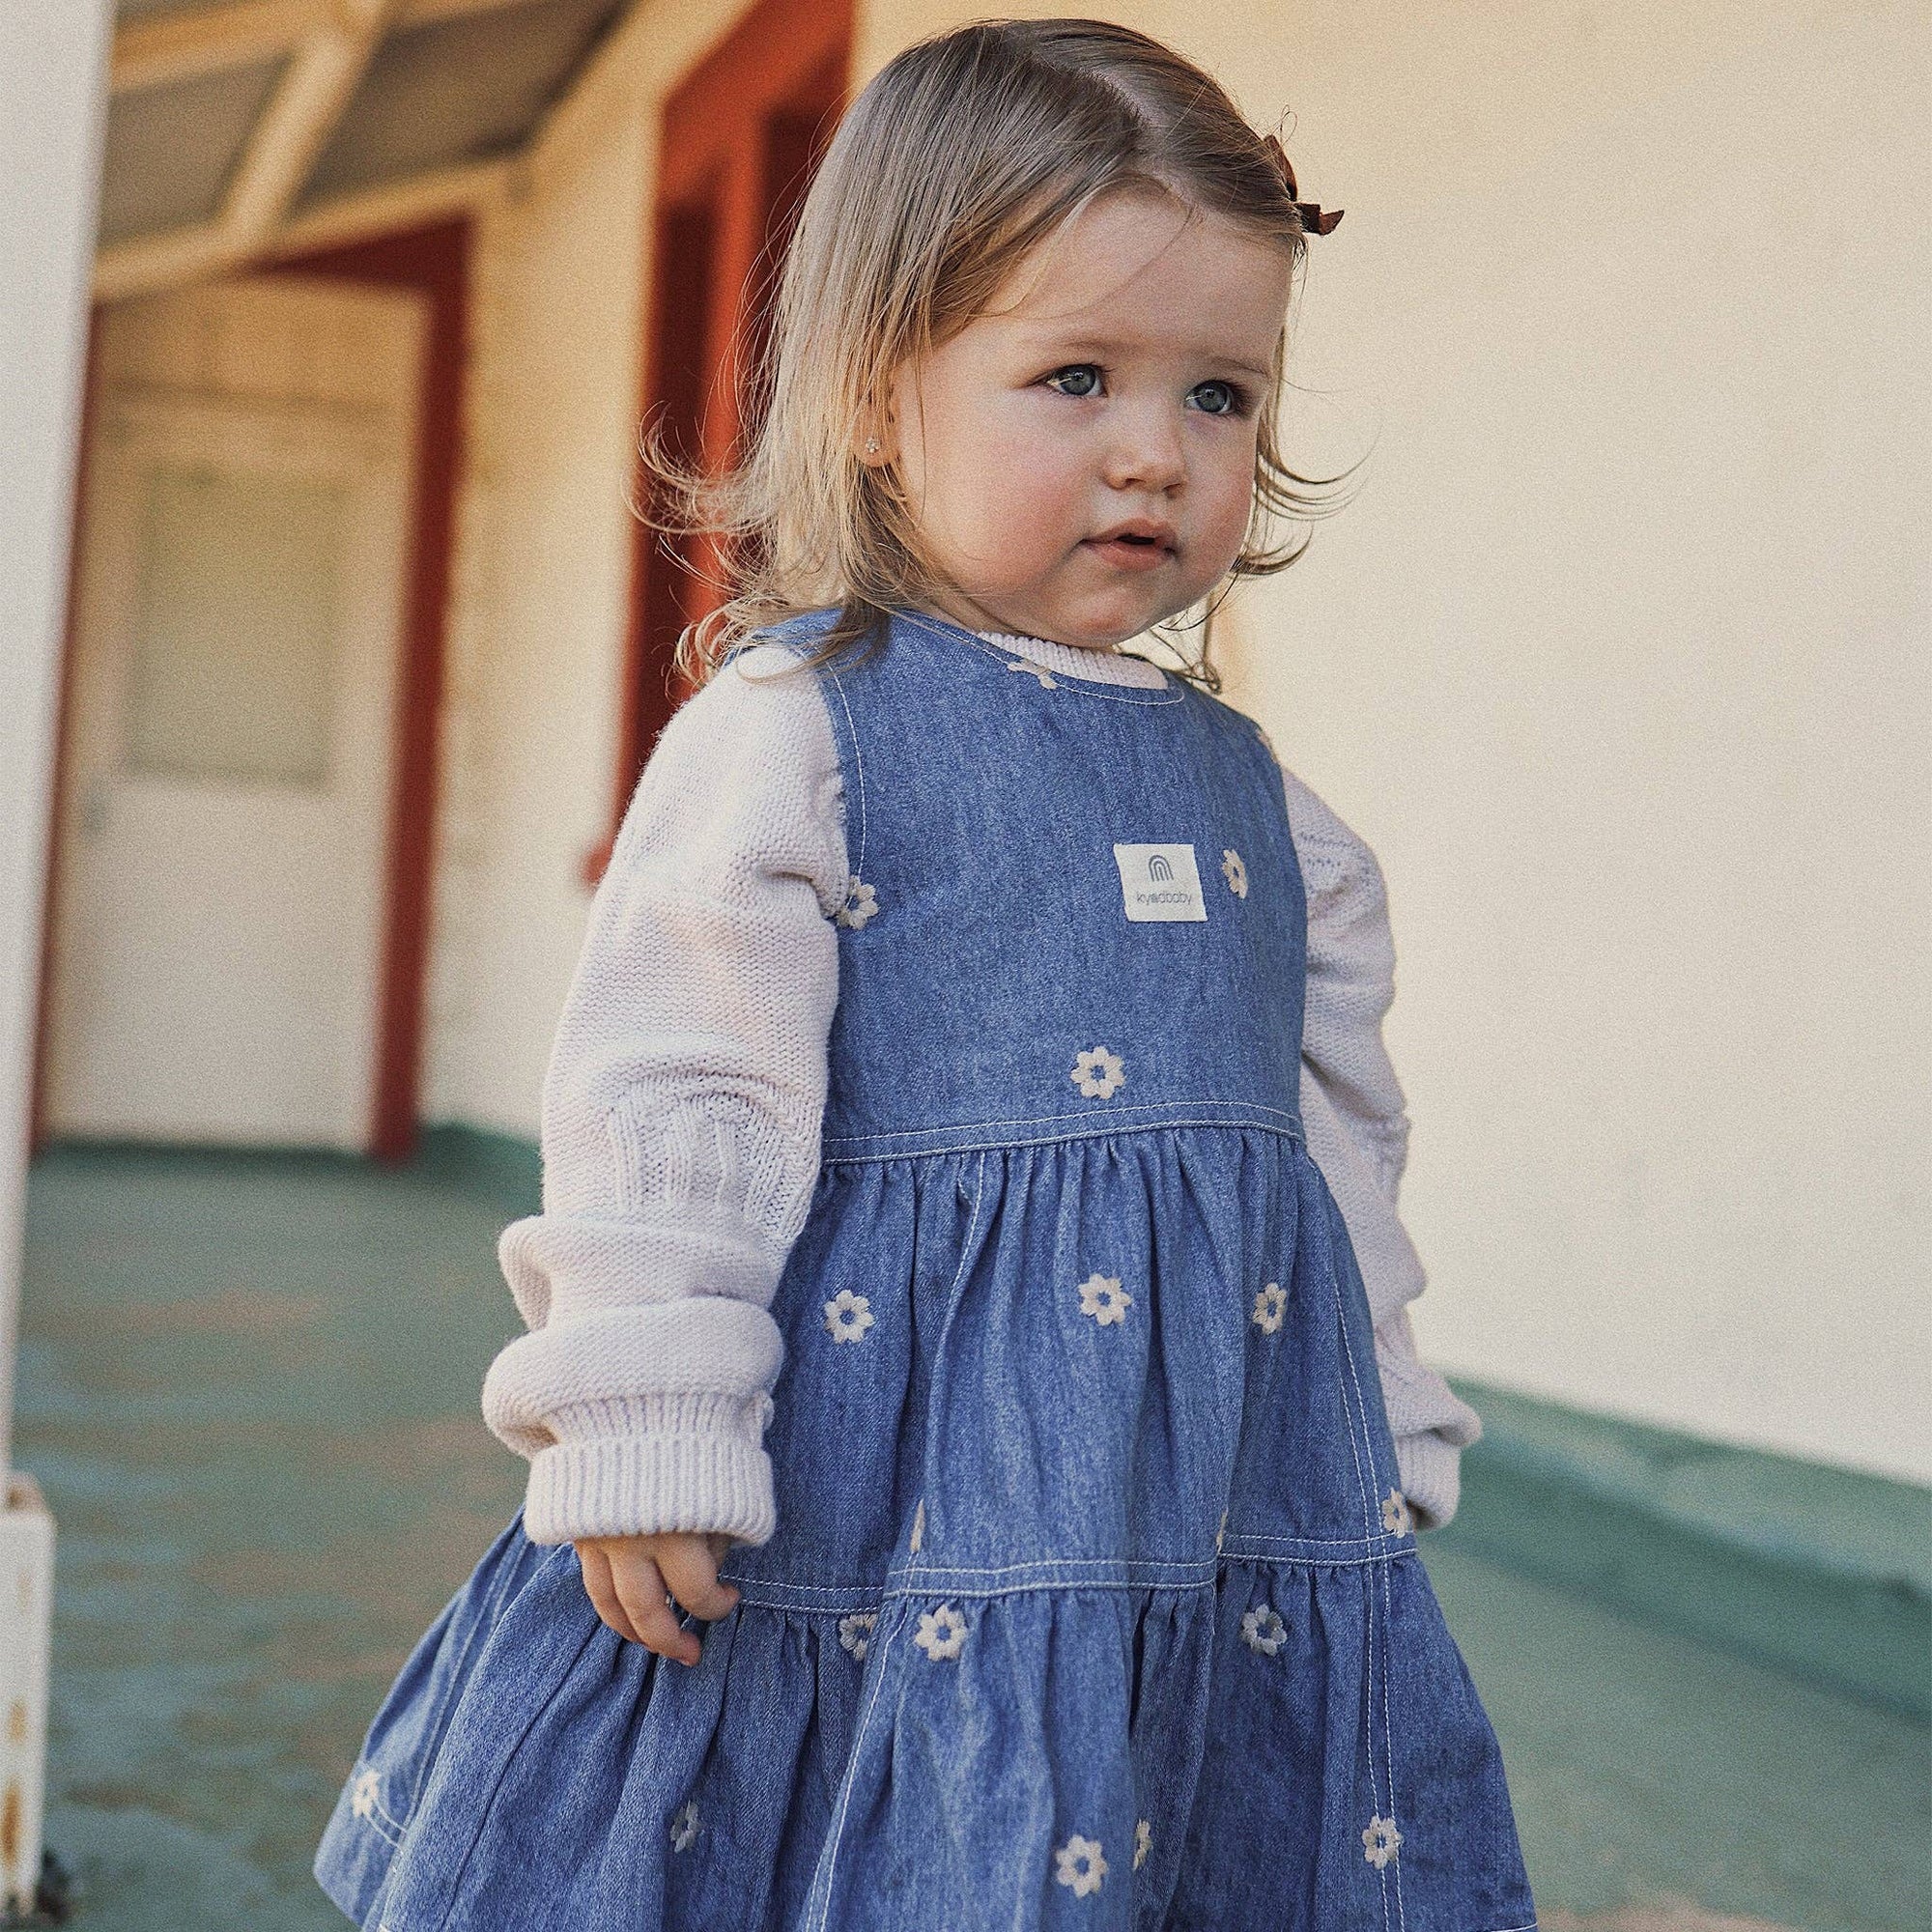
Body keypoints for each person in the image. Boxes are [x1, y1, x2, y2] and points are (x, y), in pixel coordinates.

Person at [315, 17, 1533, 1929]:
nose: (1156, 448)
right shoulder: (801, 729)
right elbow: (674, 1088)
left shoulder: (1265, 810)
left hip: (1185, 1499)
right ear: (881, 398)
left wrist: (1373, 1412)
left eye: (1221, 393)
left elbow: (1333, 1146)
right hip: (874, 1497)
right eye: (1076, 376)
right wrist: (641, 1414)